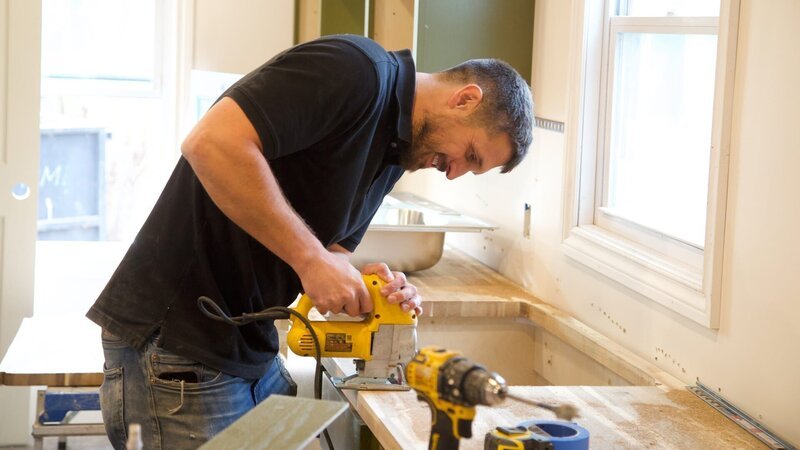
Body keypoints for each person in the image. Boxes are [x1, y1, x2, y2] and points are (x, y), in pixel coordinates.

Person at [87, 34, 533, 449]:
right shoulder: (355, 72)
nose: (455, 172)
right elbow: (210, 142)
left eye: (471, 170)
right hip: (178, 351)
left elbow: (326, 253)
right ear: (465, 98)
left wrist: (365, 286)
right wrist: (312, 258)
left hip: (247, 349)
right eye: (470, 155)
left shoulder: (395, 153)